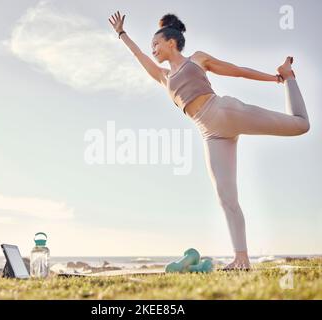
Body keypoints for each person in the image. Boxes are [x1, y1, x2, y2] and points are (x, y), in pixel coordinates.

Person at [109, 11, 310, 271]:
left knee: (301, 125)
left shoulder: (197, 59)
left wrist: (275, 78)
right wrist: (122, 34)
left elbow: (236, 71)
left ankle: (290, 78)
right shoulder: (164, 77)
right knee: (226, 196)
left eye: (156, 44)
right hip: (211, 134)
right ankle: (241, 259)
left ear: (171, 42)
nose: (153, 49)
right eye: (152, 47)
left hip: (224, 111)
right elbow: (139, 57)